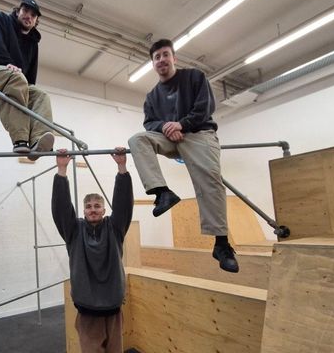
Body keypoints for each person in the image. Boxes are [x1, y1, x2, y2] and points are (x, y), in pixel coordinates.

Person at [128, 39, 239, 273]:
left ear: (174, 58)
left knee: (210, 179)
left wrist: (181, 124)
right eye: (156, 57)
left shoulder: (194, 77)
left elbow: (204, 107)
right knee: (138, 139)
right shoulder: (151, 96)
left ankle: (221, 244)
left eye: (165, 55)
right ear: (153, 63)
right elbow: (149, 123)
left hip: (199, 133)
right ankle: (162, 193)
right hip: (170, 138)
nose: (161, 60)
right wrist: (168, 127)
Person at [52, 147, 133, 353]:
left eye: (97, 205)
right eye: (89, 206)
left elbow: (123, 205)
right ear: (84, 210)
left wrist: (122, 167)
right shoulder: (74, 231)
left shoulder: (114, 229)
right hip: (87, 309)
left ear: (104, 210)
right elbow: (61, 209)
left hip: (113, 307)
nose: (93, 209)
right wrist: (61, 170)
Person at [0, 0, 54, 158]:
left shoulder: (32, 43)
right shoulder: (2, 20)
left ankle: (38, 141)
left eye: (33, 15)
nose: (28, 16)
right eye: (25, 11)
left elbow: (30, 74)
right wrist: (6, 63)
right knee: (17, 78)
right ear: (18, 11)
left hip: (14, 80)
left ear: (36, 21)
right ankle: (19, 139)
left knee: (40, 95)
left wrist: (28, 91)